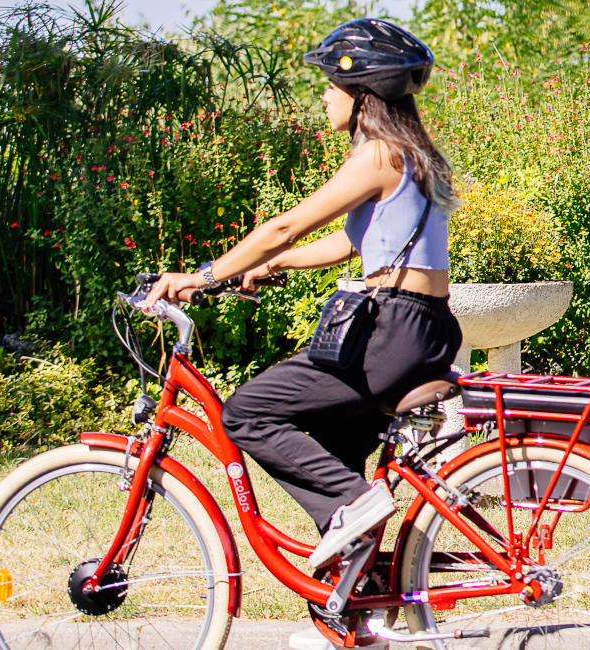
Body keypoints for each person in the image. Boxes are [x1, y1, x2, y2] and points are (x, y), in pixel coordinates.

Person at [140, 18, 460, 572]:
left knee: (247, 413)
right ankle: (353, 605)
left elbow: (282, 227)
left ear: (362, 93)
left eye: (331, 85)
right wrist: (273, 265)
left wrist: (204, 275)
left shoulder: (378, 155)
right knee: (333, 444)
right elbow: (350, 244)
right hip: (425, 326)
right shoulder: (410, 154)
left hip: (393, 329)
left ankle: (357, 504)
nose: (323, 96)